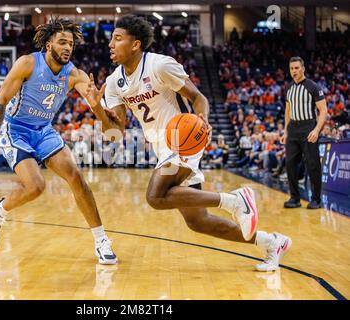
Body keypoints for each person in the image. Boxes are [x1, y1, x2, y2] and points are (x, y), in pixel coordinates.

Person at [86, 15, 291, 271]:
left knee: (154, 196)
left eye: (117, 38)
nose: (110, 44)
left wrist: (202, 119)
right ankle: (272, 243)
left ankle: (235, 200)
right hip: (162, 148)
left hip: (184, 138)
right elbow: (115, 133)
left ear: (135, 44)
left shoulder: (160, 66)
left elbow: (198, 97)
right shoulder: (114, 82)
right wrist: (97, 108)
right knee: (198, 221)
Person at [0, 18, 117, 265]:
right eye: (62, 42)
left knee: (76, 176)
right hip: (15, 129)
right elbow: (0, 99)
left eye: (71, 44)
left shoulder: (75, 74)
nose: (67, 47)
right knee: (36, 186)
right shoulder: (28, 63)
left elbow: (99, 110)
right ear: (48, 44)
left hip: (43, 130)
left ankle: (101, 239)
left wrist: (97, 107)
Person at [281, 57, 327, 209]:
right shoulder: (288, 88)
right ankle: (294, 198)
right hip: (293, 129)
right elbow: (287, 112)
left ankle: (316, 199)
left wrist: (316, 130)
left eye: (296, 68)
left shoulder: (313, 86)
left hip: (308, 128)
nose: (294, 71)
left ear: (303, 68)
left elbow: (323, 110)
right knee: (290, 164)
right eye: (291, 68)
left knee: (313, 164)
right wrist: (285, 131)